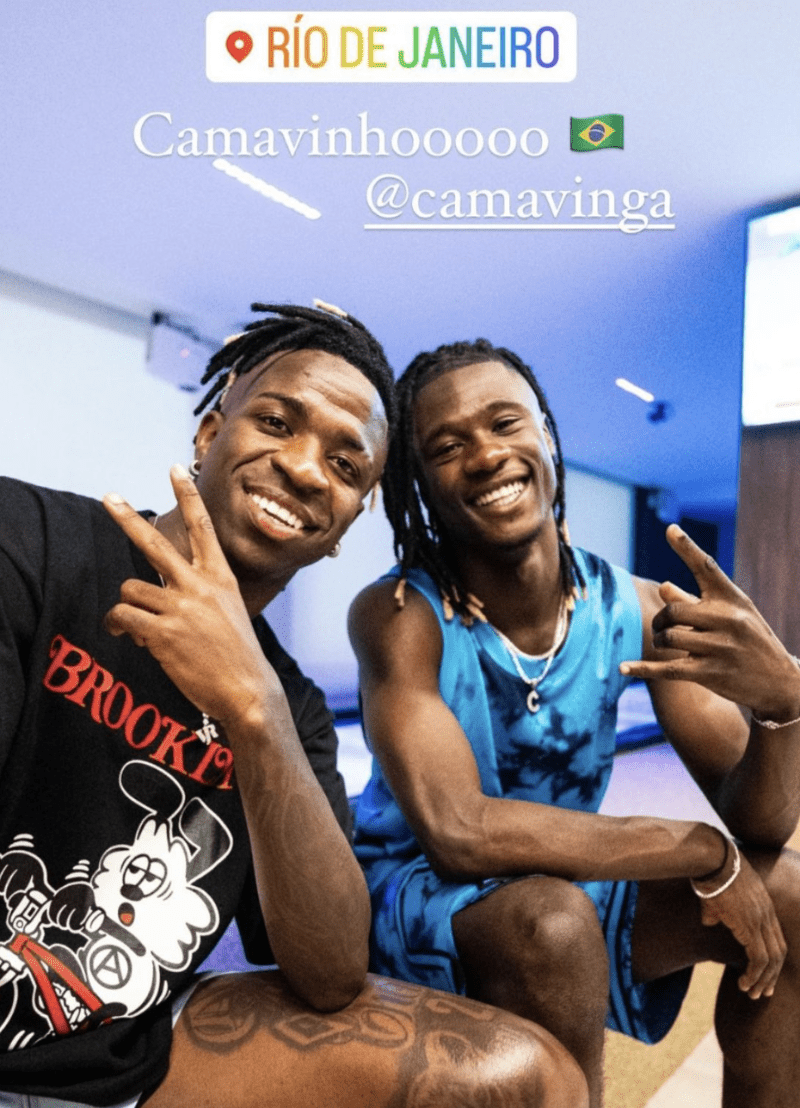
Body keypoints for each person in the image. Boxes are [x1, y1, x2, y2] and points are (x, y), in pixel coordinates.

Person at [0, 310, 588, 1108]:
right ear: (210, 433)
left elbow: (330, 972)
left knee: (530, 1077)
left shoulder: (293, 709)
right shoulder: (29, 543)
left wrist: (256, 715)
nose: (308, 469)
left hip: (128, 1057)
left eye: (346, 466)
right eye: (277, 423)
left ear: (348, 520)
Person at [349, 337, 800, 1108]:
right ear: (420, 484)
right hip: (416, 893)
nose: (486, 455)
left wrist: (782, 706)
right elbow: (458, 833)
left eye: (505, 423)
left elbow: (759, 825)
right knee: (553, 925)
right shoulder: (399, 616)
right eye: (447, 447)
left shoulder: (642, 608)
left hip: (561, 878)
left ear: (547, 438)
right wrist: (695, 846)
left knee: (788, 894)